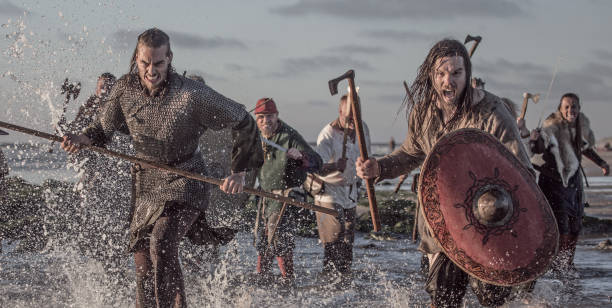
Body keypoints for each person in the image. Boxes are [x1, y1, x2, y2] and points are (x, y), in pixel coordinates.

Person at [61, 28, 263, 307]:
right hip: (147, 184)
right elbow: (102, 129)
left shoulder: (191, 94)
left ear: (169, 59)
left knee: (163, 241)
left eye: (158, 63)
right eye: (145, 63)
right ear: (136, 58)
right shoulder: (124, 89)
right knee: (143, 264)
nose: (151, 70)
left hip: (187, 179)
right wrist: (83, 138)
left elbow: (243, 119)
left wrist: (238, 172)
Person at [356, 39, 534, 308]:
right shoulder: (423, 113)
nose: (447, 81)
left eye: (456, 73)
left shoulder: (493, 113)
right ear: (431, 74)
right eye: (440, 73)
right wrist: (379, 168)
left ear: (467, 75)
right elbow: (410, 153)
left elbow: (523, 172)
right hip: (441, 222)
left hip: (487, 222)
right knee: (443, 297)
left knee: (491, 298)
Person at [529, 93, 610, 276]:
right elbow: (538, 149)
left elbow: (585, 148)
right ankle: (559, 265)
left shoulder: (578, 128)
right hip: (554, 183)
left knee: (575, 226)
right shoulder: (552, 127)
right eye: (566, 107)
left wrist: (602, 163)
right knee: (562, 226)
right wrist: (534, 139)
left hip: (574, 184)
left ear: (579, 109)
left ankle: (568, 264)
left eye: (573, 107)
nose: (570, 110)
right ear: (560, 109)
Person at [253, 97, 322, 284]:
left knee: (279, 239)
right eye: (261, 117)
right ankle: (262, 281)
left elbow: (317, 161)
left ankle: (288, 280)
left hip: (286, 196)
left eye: (269, 116)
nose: (265, 121)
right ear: (256, 118)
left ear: (276, 116)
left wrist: (301, 156)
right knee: (261, 240)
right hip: (264, 196)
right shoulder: (254, 135)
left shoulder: (289, 135)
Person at [313, 93, 370, 282]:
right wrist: (335, 165)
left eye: (356, 117)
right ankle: (328, 283)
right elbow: (316, 167)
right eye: (348, 117)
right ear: (339, 112)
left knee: (348, 242)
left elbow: (367, 156)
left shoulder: (363, 129)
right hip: (329, 192)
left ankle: (345, 284)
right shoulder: (327, 134)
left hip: (351, 191)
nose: (353, 122)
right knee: (334, 239)